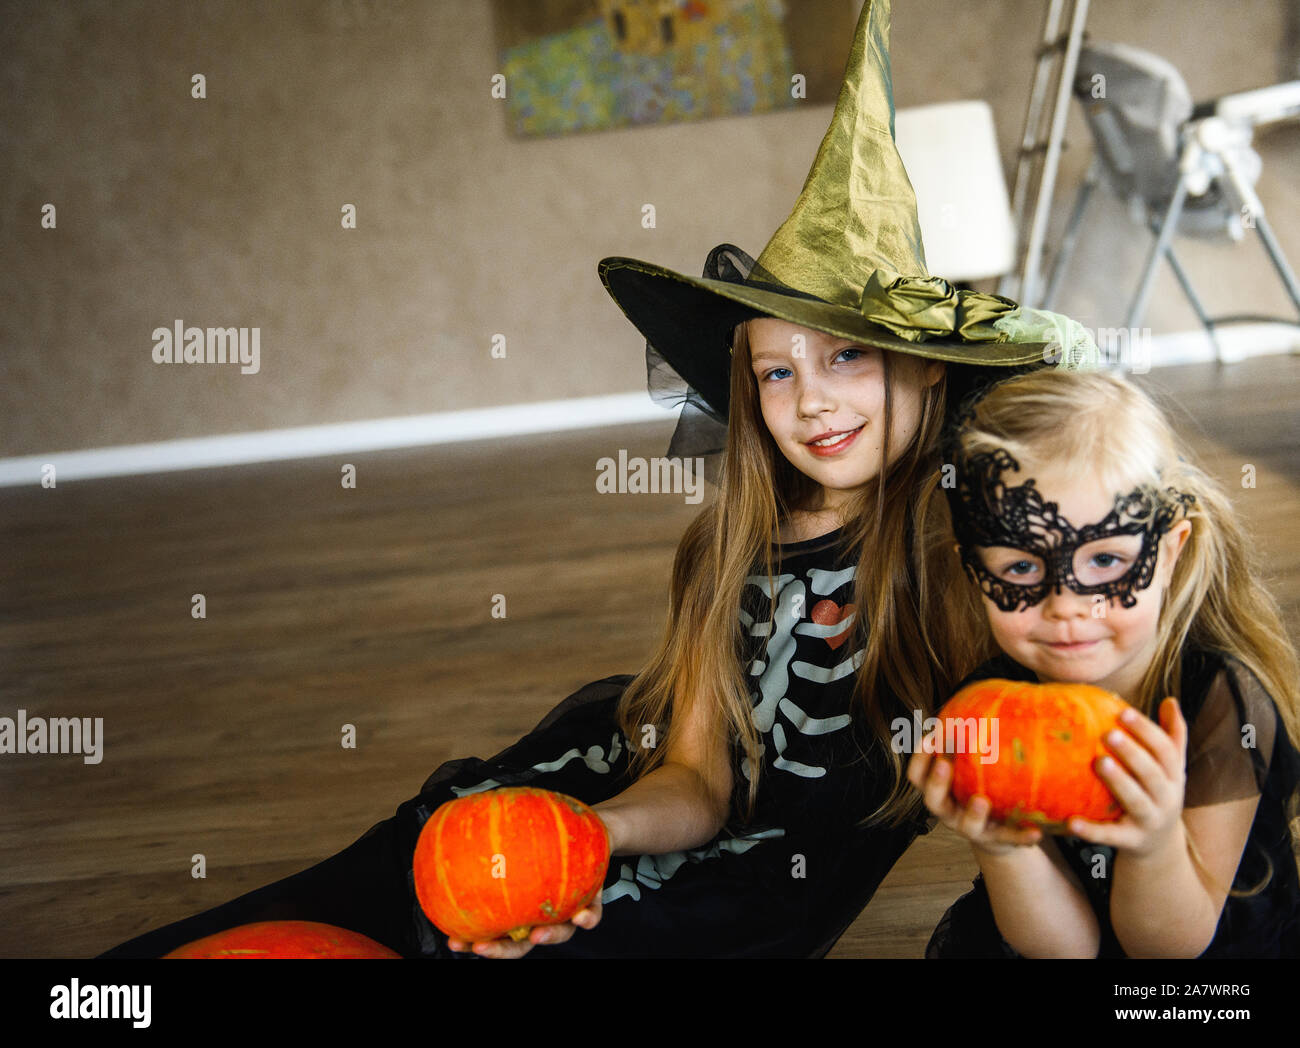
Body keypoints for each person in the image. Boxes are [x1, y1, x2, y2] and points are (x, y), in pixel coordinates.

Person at [98, 0, 1095, 960]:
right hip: (625, 793)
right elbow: (697, 777)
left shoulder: (973, 566)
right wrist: (589, 834)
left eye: (845, 358)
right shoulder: (728, 548)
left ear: (926, 366)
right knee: (378, 885)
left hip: (743, 909)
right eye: (776, 372)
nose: (811, 403)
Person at [909, 368, 1300, 958]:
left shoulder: (1223, 705)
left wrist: (1153, 844)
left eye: (1106, 560)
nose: (1066, 606)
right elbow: (1063, 952)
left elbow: (1167, 955)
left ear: (1167, 554)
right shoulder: (988, 710)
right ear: (974, 570)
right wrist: (1002, 848)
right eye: (1020, 568)